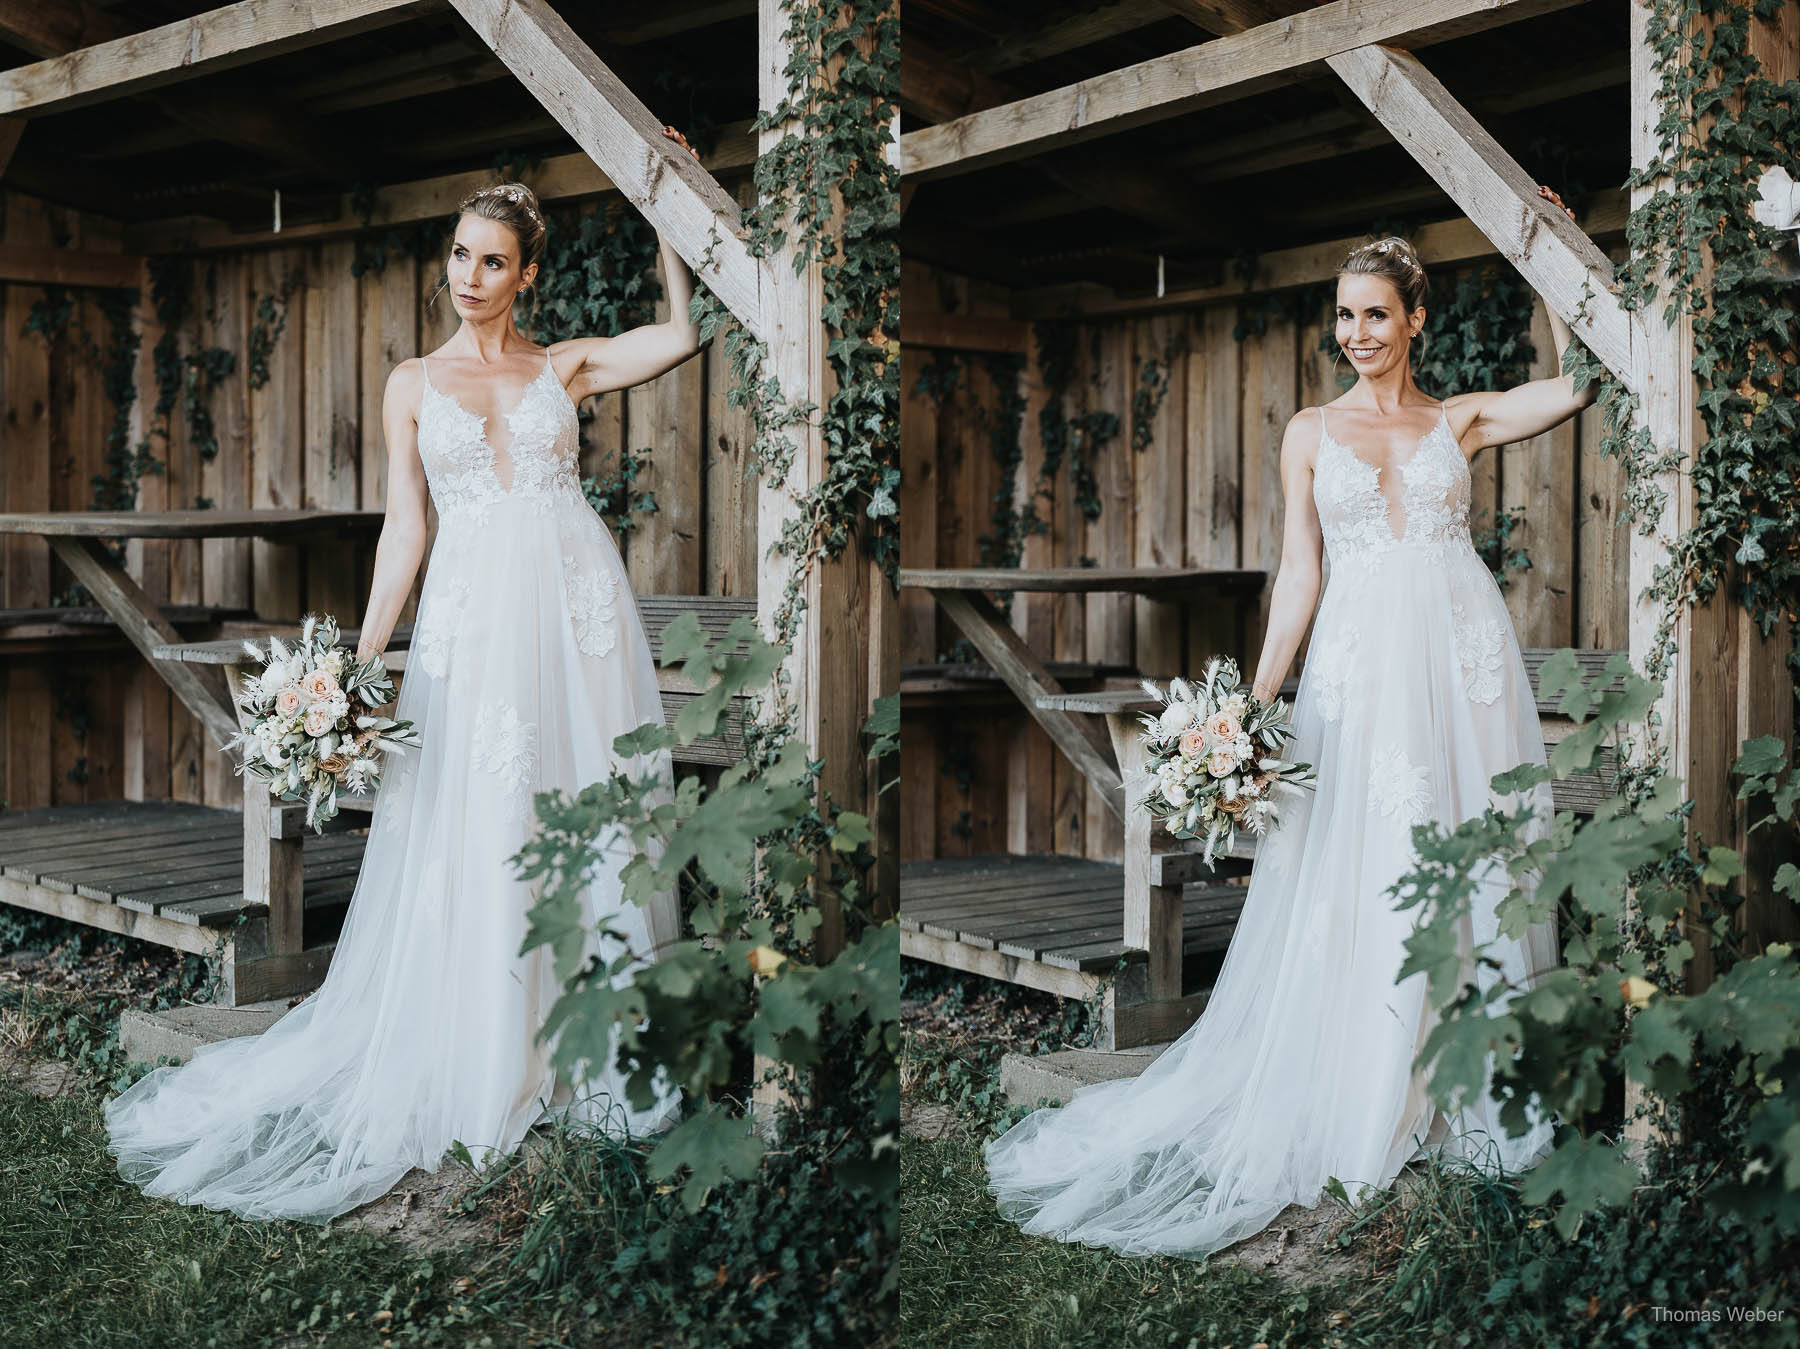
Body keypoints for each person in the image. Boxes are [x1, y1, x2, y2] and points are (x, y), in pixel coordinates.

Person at [104, 136, 709, 1224]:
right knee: (478, 816)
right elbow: (407, 530)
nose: (468, 277)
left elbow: (680, 334)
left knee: (578, 807)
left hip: (577, 618)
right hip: (472, 623)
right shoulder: (412, 382)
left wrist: (667, 220)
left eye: (491, 262)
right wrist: (353, 658)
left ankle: (590, 1039)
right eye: (460, 257)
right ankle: (484, 1048)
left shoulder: (562, 364)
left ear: (527, 275)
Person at [984, 207, 1599, 1260]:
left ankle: (1466, 1072)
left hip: (1462, 666)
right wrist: (1251, 707)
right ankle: (1370, 1082)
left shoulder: (1464, 421)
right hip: (1360, 670)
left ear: (1414, 319)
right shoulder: (1311, 431)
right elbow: (1302, 573)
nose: (1357, 332)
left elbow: (1576, 385)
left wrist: (1548, 262)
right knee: (1361, 861)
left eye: (1376, 314)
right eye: (1345, 316)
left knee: (1471, 849)